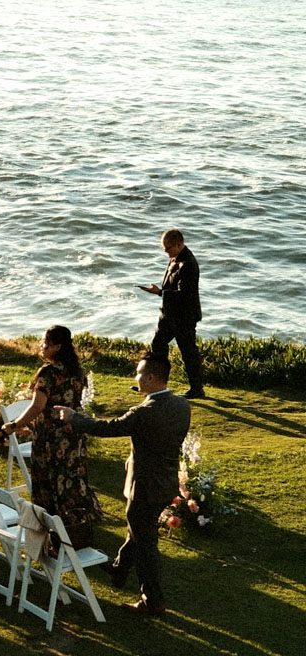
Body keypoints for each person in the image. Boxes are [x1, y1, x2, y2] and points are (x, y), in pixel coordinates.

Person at [55, 352, 191, 616]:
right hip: (166, 482)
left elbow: (107, 428)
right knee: (139, 528)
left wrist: (74, 417)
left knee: (145, 543)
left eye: (139, 373)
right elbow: (163, 440)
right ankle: (119, 569)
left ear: (151, 377)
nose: (135, 377)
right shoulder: (181, 405)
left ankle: (152, 601)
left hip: (146, 486)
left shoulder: (144, 411)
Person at [2, 325, 102, 548]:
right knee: (71, 476)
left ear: (58, 346)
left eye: (46, 344)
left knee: (49, 479)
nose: (42, 347)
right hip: (73, 432)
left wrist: (15, 425)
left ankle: (52, 527)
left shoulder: (47, 374)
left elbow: (37, 407)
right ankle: (76, 522)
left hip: (51, 437)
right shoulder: (77, 370)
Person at [140, 228, 205, 399]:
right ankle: (159, 384)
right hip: (169, 315)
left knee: (188, 352)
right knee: (158, 345)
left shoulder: (188, 264)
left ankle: (197, 389)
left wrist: (160, 292)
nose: (167, 252)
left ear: (179, 244)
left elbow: (184, 294)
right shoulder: (176, 257)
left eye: (169, 248)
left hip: (184, 316)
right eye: (164, 249)